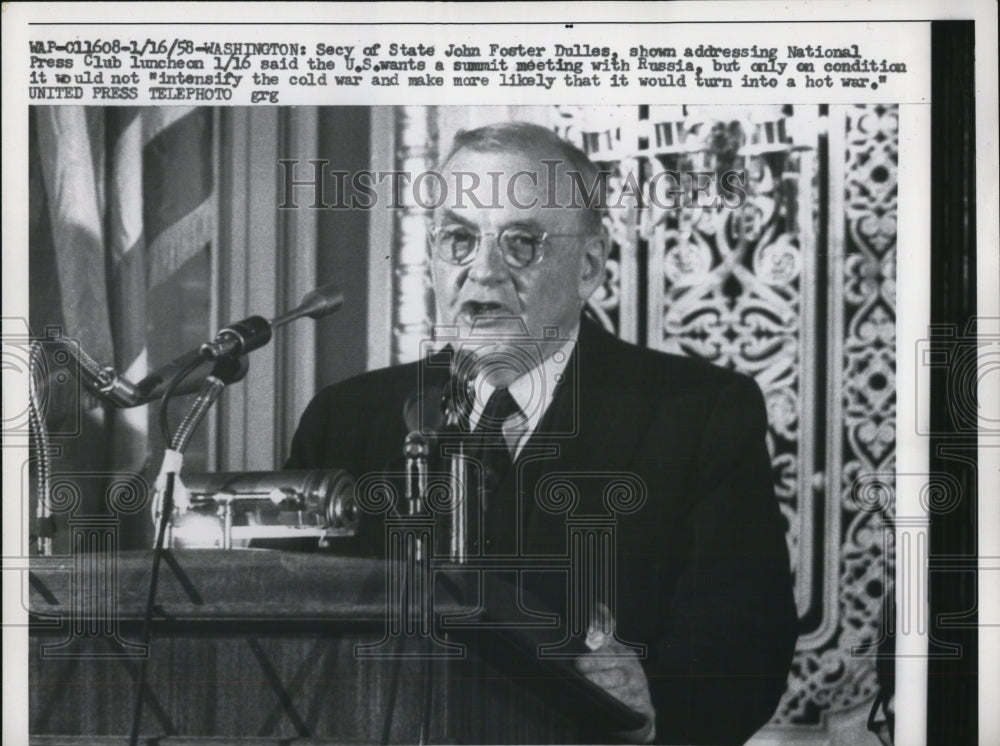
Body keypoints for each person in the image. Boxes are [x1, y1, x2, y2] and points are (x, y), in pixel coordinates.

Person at [287, 122, 798, 744]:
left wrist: (650, 701)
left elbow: (747, 645)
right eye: (458, 239)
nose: (482, 274)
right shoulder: (346, 421)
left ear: (588, 266)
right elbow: (286, 633)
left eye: (521, 243)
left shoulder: (697, 415)